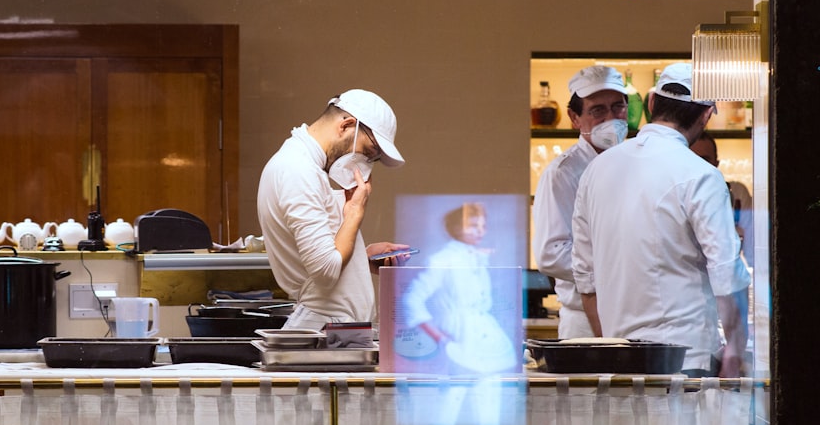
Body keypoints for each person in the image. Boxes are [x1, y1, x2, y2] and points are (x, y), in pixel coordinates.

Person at [571, 63, 751, 377]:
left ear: (652, 103)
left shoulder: (596, 170)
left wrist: (610, 344)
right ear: (706, 115)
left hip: (620, 361)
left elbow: (585, 278)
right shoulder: (702, 176)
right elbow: (726, 274)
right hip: (685, 360)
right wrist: (734, 353)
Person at [257, 89, 410, 329]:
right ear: (347, 125)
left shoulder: (305, 167)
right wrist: (355, 213)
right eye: (368, 153)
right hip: (323, 332)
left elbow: (322, 256)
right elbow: (325, 271)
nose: (365, 163)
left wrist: (362, 257)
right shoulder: (298, 171)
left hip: (332, 331)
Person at [532, 65, 629, 339]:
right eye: (598, 110)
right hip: (583, 323)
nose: (611, 118)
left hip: (635, 315)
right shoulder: (563, 173)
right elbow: (551, 254)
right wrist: (618, 267)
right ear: (575, 118)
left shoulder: (637, 163)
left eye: (618, 107)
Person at [401, 202, 518, 374]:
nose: (480, 231)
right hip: (457, 336)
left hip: (486, 337)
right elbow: (412, 300)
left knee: (488, 396)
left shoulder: (478, 258)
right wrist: (439, 338)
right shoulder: (442, 260)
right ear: (455, 228)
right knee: (454, 395)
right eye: (472, 225)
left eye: (483, 226)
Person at [690, 130, 754, 268]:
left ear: (716, 164)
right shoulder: (673, 198)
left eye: (705, 160)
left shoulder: (737, 194)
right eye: (693, 159)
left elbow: (752, 254)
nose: (698, 166)